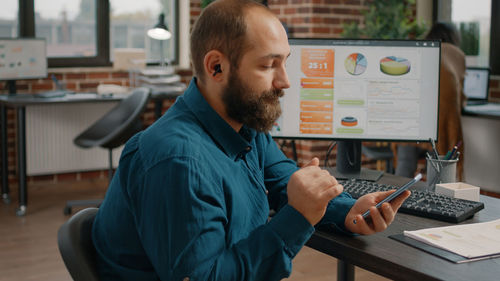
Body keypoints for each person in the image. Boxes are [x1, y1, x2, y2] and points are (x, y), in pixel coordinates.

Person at [91, 1, 410, 280]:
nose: (285, 81)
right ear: (216, 67)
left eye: (285, 61)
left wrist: (350, 211)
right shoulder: (178, 160)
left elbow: (286, 183)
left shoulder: (243, 126)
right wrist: (298, 217)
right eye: (269, 65)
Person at [394, 22, 466, 181]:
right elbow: (458, 97)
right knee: (439, 170)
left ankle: (393, 200)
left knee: (405, 165)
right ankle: (436, 202)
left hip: (410, 121)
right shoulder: (457, 54)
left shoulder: (421, 50)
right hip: (439, 125)